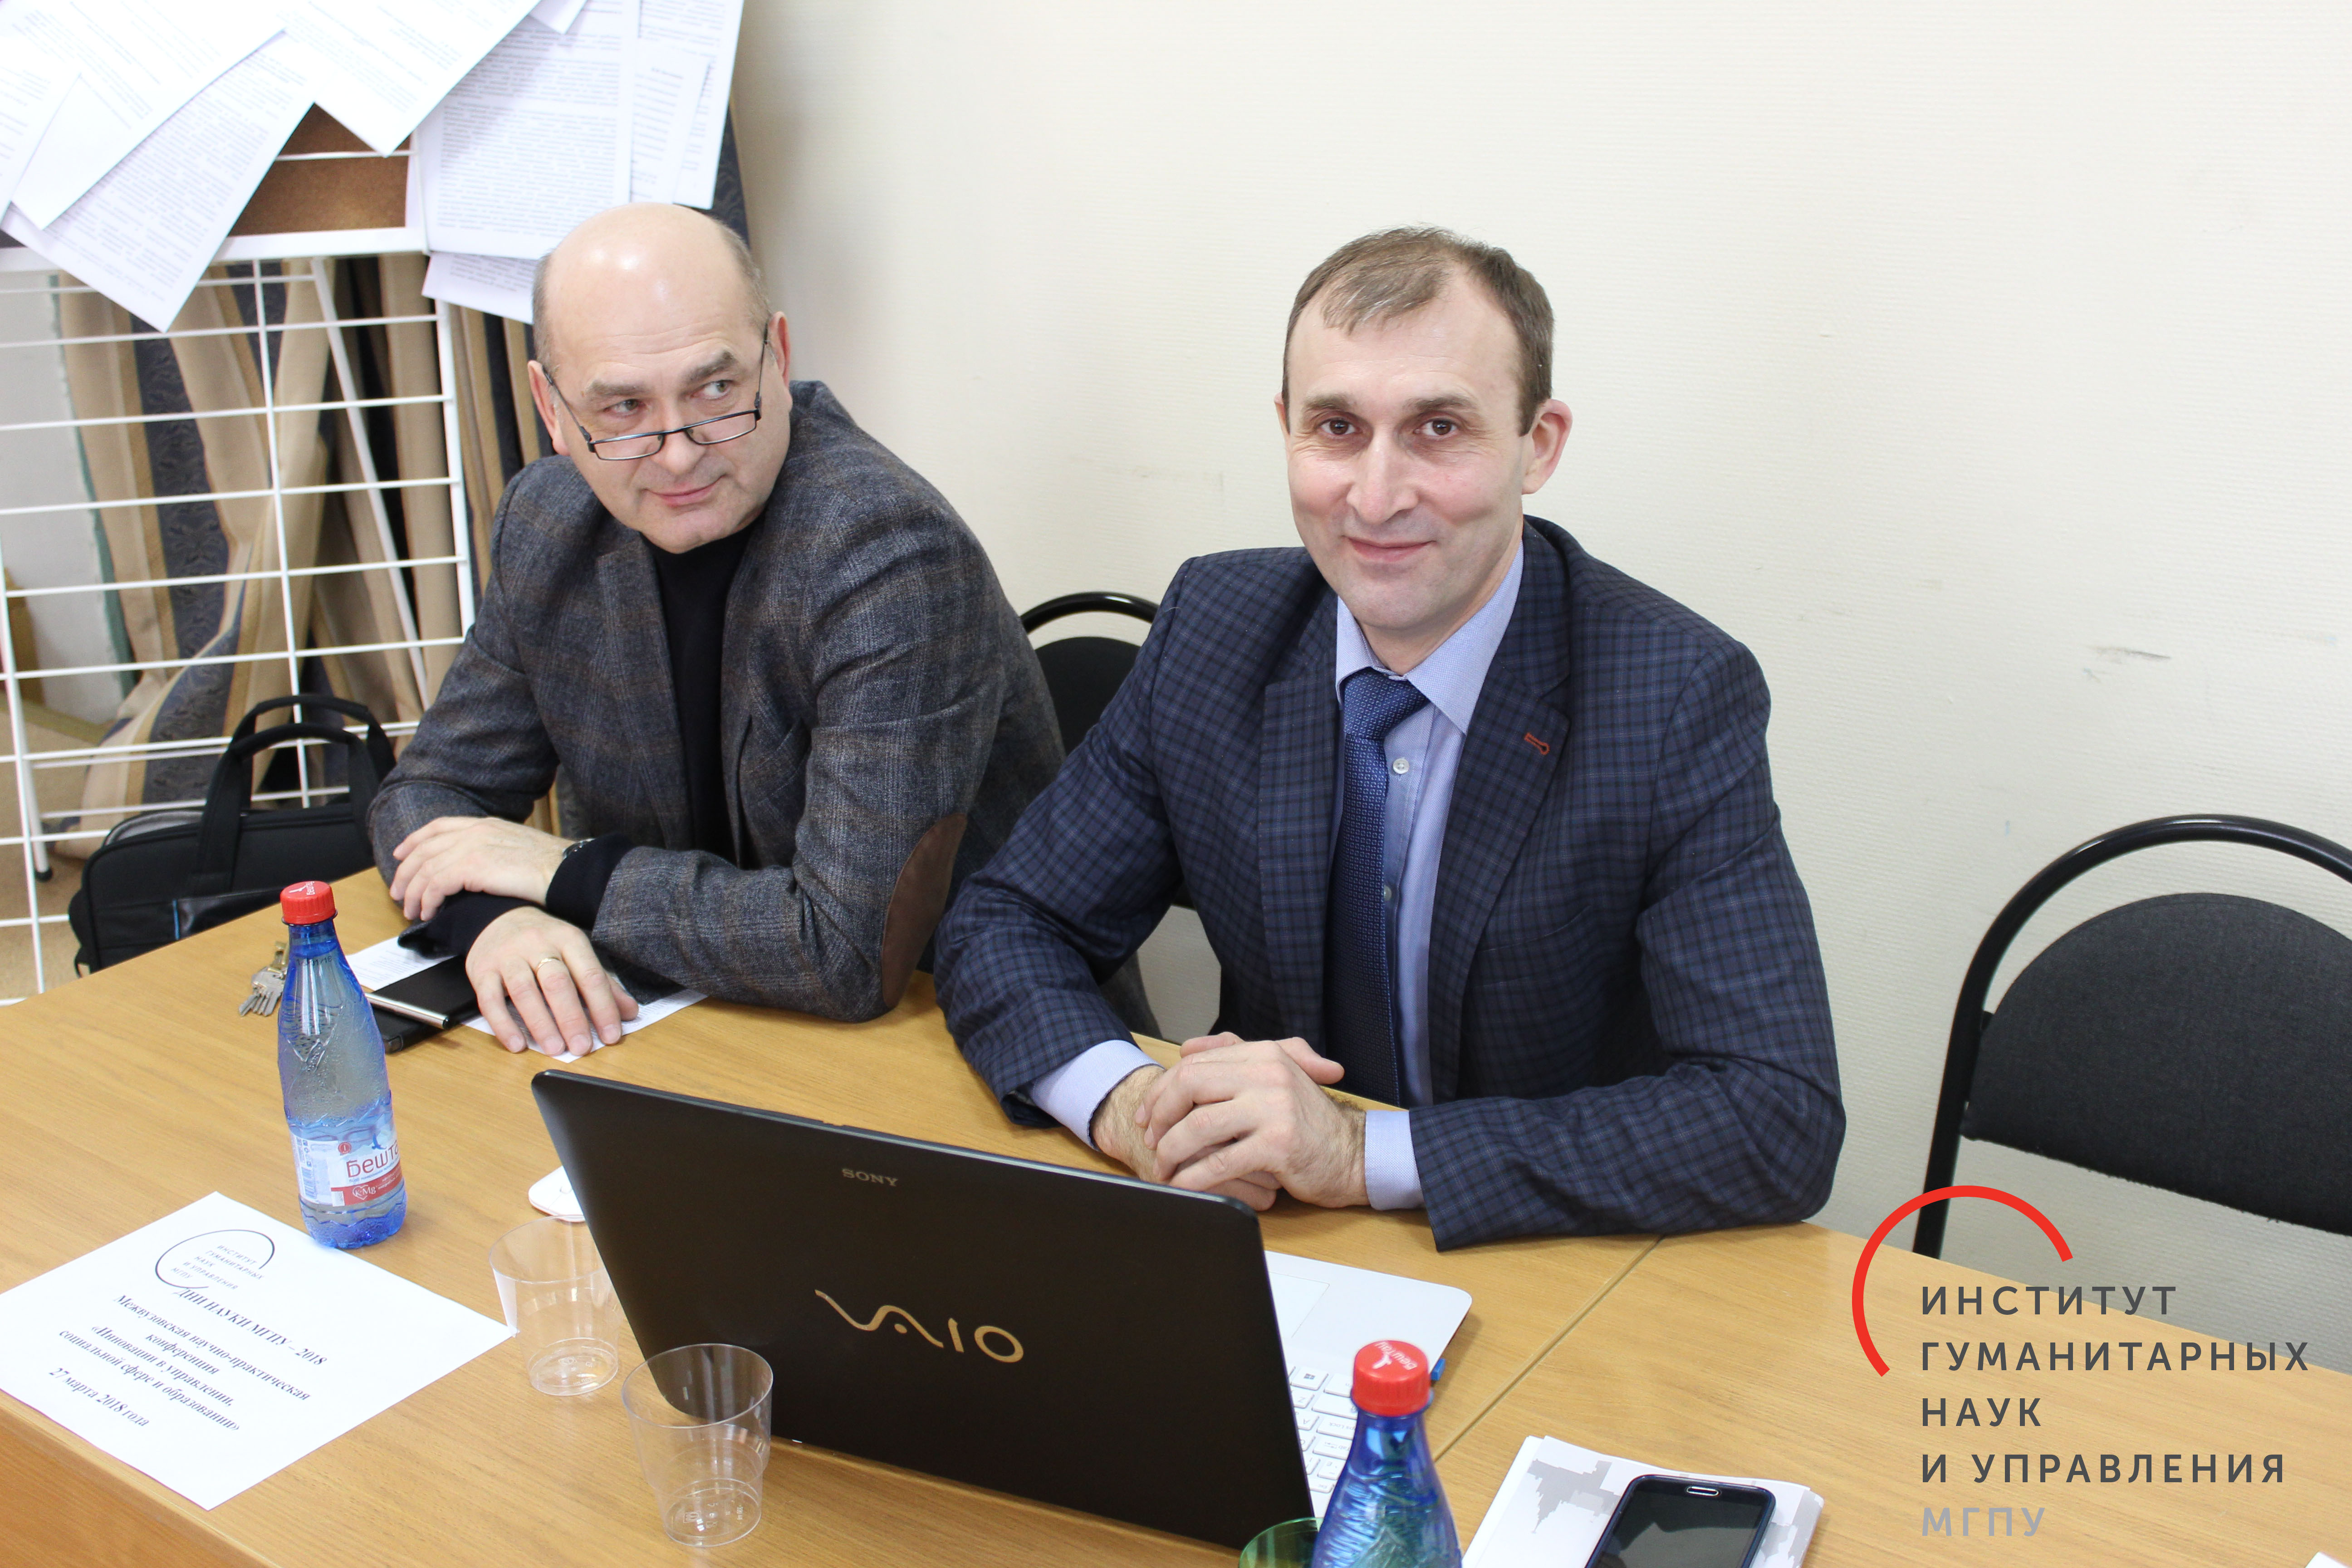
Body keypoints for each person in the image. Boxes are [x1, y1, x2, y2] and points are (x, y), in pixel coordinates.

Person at [934, 228, 1842, 1250]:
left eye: (1438, 428)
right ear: (1286, 429)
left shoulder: (1672, 693)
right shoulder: (1216, 630)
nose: (1375, 496)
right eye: (1336, 427)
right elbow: (1004, 922)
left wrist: (1362, 1155)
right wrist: (1131, 1106)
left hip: (1538, 1255)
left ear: (1539, 444)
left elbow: (1776, 1114)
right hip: (1273, 1239)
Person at [372, 203, 1088, 1059]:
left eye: (715, 391)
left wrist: (561, 872)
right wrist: (494, 921)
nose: (679, 454)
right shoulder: (549, 522)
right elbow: (428, 794)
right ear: (552, 409)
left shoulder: (887, 553)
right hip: (687, 1017)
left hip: (944, 1042)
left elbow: (845, 952)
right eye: (624, 407)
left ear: (777, 358)